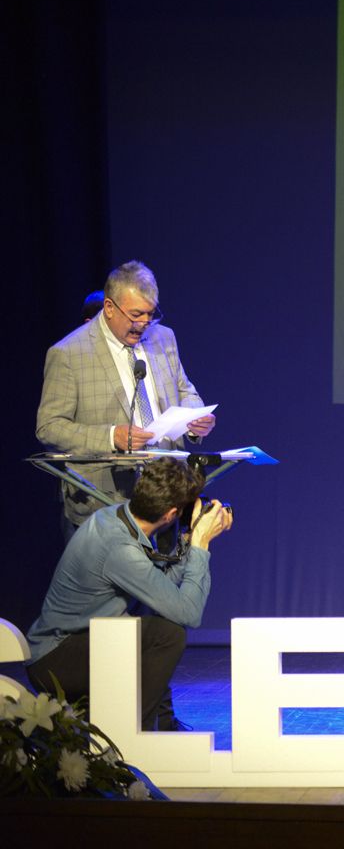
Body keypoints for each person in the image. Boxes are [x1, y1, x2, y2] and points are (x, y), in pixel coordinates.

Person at [25, 458, 233, 730]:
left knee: (156, 628)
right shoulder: (120, 548)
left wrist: (186, 542)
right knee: (168, 635)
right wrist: (201, 546)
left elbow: (161, 588)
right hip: (56, 658)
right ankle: (136, 734)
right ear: (171, 514)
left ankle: (155, 723)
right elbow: (188, 614)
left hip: (78, 642)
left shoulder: (117, 517)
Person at [36, 261, 216, 530]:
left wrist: (195, 419)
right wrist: (111, 436)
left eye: (150, 314)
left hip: (167, 497)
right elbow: (49, 428)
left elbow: (184, 390)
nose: (144, 324)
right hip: (104, 506)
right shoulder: (69, 354)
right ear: (109, 308)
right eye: (136, 315)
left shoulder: (164, 338)